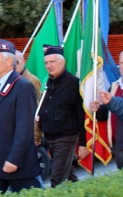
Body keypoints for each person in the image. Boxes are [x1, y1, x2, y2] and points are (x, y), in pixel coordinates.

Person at [0, 39, 40, 197]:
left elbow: (24, 128)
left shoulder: (23, 86)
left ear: (8, 61)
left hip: (17, 164)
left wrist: (13, 159)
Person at [37, 45, 88, 188]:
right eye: (46, 62)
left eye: (52, 61)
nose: (49, 65)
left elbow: (81, 114)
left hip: (66, 138)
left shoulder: (74, 84)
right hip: (50, 137)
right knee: (69, 176)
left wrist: (83, 143)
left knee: (57, 179)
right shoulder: (49, 82)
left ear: (62, 62)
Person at [15, 50, 44, 147]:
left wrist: (36, 135)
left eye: (17, 62)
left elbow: (37, 108)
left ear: (23, 61)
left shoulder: (32, 81)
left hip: (27, 132)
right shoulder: (11, 80)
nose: (14, 65)